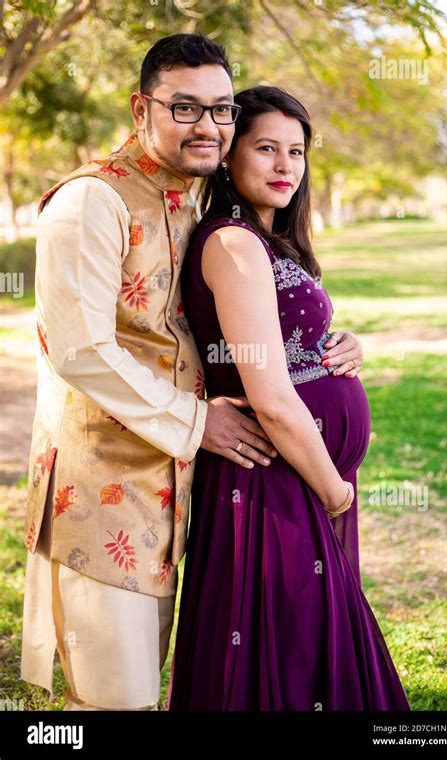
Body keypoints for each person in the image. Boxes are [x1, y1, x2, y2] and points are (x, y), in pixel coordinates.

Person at [20, 34, 363, 711]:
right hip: (103, 492)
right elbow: (80, 348)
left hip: (186, 490)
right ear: (141, 107)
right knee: (116, 698)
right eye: (185, 108)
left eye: (222, 109)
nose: (208, 126)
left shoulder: (193, 201)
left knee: (169, 678)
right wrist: (200, 419)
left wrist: (324, 346)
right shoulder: (92, 202)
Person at [168, 85, 410, 711]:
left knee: (305, 648)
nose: (285, 167)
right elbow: (271, 398)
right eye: (267, 149)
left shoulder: (271, 241)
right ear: (229, 155)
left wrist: (341, 343)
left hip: (299, 472)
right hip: (276, 477)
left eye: (296, 152)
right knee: (289, 649)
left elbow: (289, 338)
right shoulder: (232, 242)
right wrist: (333, 488)